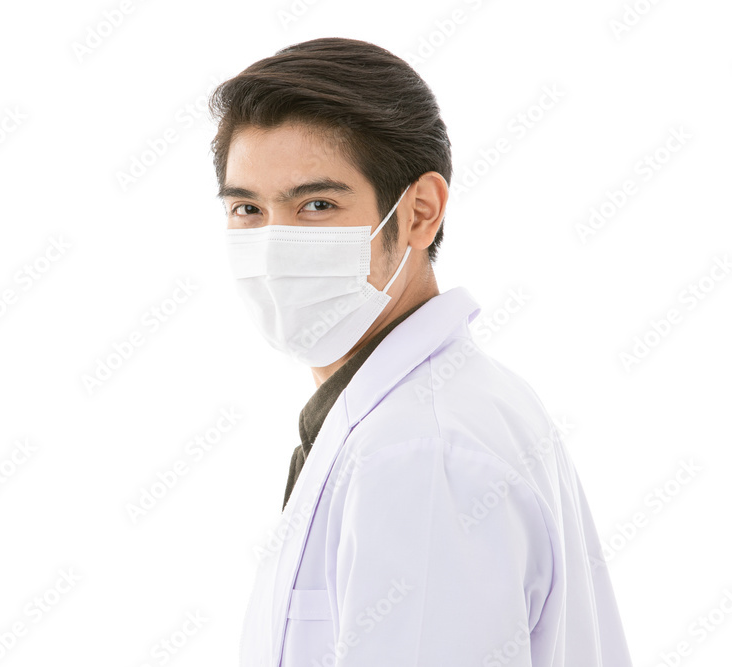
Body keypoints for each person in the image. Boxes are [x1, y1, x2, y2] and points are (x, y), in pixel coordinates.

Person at [208, 37, 634, 666]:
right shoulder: (446, 405)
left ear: (420, 213)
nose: (274, 244)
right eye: (247, 208)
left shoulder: (420, 452)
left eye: (316, 205)